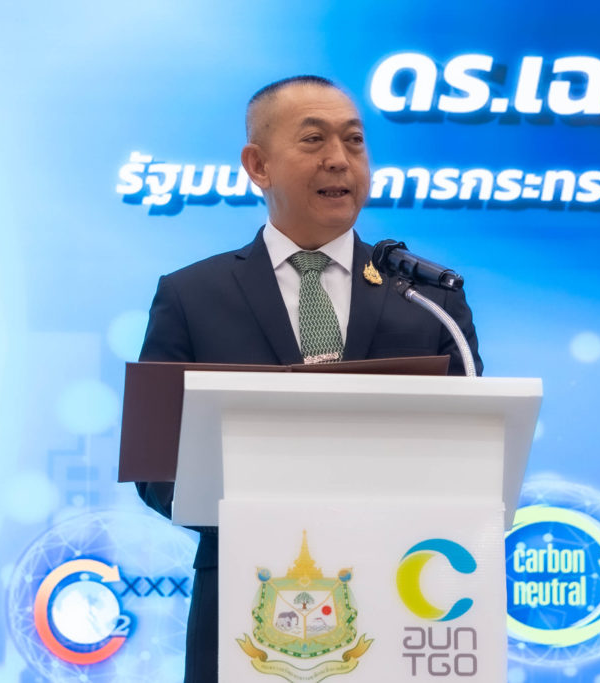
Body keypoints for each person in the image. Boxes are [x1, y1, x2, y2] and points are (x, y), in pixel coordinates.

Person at [135, 75, 482, 683]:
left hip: (401, 605)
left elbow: (473, 455)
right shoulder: (192, 296)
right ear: (258, 165)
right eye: (314, 140)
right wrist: (262, 514)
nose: (339, 160)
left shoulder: (427, 299)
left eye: (354, 141)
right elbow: (155, 466)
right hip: (245, 607)